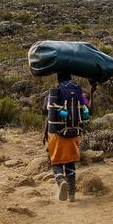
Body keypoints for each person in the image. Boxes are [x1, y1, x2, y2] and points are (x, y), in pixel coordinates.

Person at [43, 72, 90, 202]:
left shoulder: (55, 92)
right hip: (74, 133)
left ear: (58, 79)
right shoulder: (79, 92)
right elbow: (87, 108)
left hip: (56, 133)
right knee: (70, 162)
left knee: (56, 161)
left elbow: (45, 110)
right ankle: (72, 194)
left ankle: (60, 180)